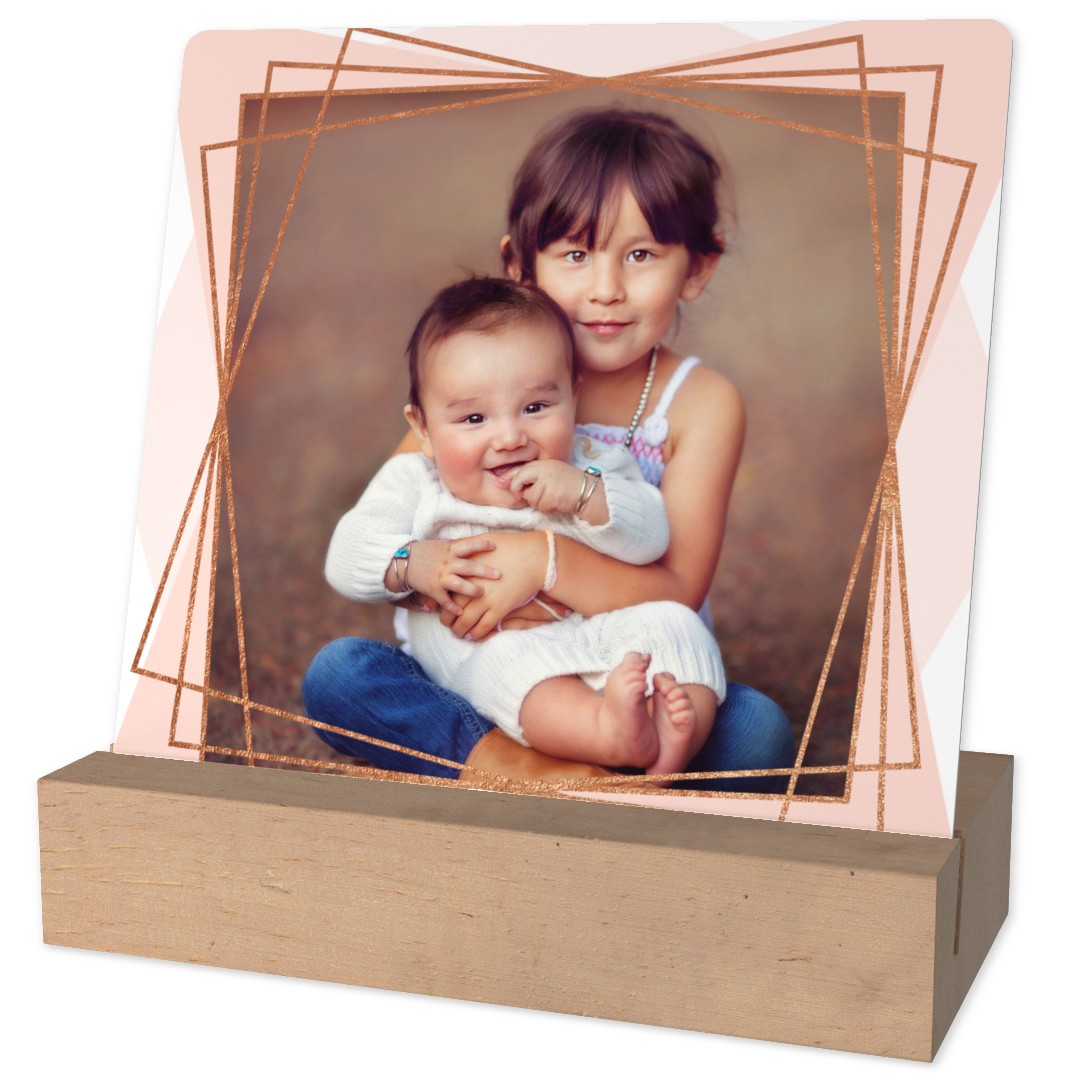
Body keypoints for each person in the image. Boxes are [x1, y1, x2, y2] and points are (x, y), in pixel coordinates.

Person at [304, 106, 795, 792]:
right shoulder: (472, 381)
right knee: (342, 676)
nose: (605, 289)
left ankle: (588, 761)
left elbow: (679, 590)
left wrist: (540, 561)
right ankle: (522, 765)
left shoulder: (700, 403)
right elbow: (390, 524)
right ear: (520, 265)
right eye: (574, 254)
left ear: (698, 268)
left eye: (641, 254)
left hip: (621, 669)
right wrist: (438, 574)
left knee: (757, 732)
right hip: (482, 658)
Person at [326, 276, 724, 778]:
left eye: (536, 408)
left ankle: (661, 759)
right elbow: (346, 552)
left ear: (573, 399)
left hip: (601, 644)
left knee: (679, 628)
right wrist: (410, 562)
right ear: (422, 428)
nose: (510, 436)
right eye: (474, 419)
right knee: (342, 675)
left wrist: (585, 494)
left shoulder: (595, 464)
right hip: (495, 656)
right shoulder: (416, 479)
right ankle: (603, 744)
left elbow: (652, 537)